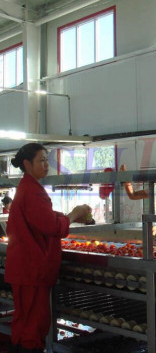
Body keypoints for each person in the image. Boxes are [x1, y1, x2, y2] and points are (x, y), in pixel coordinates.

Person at [4, 143, 91, 353]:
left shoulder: (30, 189)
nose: (46, 165)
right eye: (41, 160)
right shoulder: (31, 191)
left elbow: (43, 218)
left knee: (27, 323)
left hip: (28, 269)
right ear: (27, 164)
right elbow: (52, 227)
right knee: (32, 328)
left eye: (47, 160)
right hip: (31, 269)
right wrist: (75, 213)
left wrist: (64, 217)